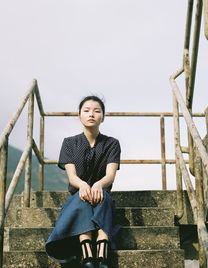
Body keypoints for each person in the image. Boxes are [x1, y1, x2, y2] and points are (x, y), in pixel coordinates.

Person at [45, 95, 121, 268]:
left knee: (103, 198)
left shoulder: (112, 143)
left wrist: (98, 185)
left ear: (103, 116)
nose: (91, 114)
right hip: (77, 195)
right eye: (86, 110)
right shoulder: (69, 143)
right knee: (82, 199)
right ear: (79, 115)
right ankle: (88, 253)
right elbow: (72, 177)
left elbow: (110, 175)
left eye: (96, 111)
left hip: (103, 193)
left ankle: (101, 255)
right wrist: (84, 185)